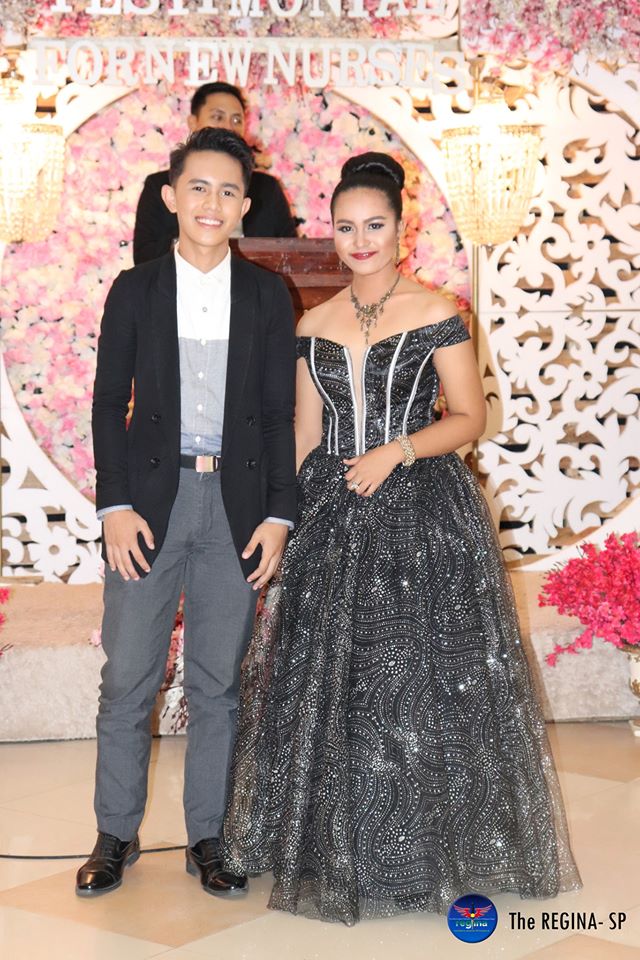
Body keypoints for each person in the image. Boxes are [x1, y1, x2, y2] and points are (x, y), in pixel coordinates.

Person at [221, 153, 581, 925]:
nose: (359, 240)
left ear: (401, 227)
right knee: (337, 683)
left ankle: (429, 851)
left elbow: (470, 417)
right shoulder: (312, 323)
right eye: (346, 227)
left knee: (421, 680)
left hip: (423, 511)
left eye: (374, 225)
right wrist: (283, 514)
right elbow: (307, 433)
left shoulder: (437, 309)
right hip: (333, 512)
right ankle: (340, 847)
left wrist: (399, 449)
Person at [77, 127, 296, 899]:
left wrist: (278, 515)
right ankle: (115, 833)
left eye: (228, 190)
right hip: (149, 507)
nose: (212, 202)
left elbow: (279, 416)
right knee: (128, 680)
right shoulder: (135, 289)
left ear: (245, 205)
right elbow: (108, 402)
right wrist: (115, 504)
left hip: (235, 510)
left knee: (217, 685)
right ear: (171, 197)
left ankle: (209, 836)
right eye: (198, 186)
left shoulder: (267, 296)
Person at [133, 81, 297, 264]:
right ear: (193, 122)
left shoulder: (267, 189)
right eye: (218, 117)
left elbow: (293, 256)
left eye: (237, 120)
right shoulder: (158, 185)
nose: (229, 127)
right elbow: (144, 257)